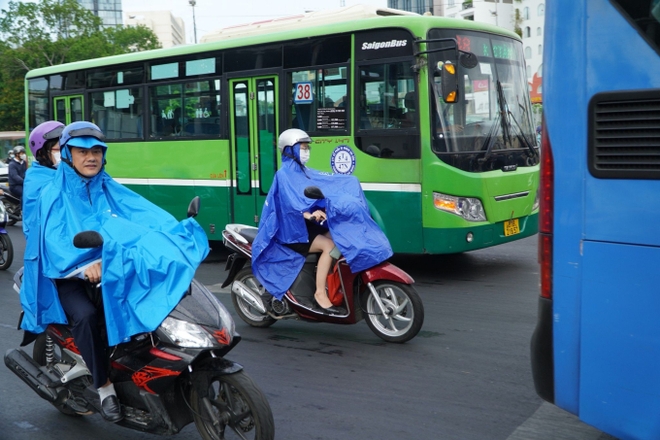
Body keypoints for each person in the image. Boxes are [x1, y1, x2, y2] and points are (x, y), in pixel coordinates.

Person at [19, 121, 209, 423]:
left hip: (110, 263)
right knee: (86, 315)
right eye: (82, 151)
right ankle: (104, 385)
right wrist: (84, 267)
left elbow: (141, 215)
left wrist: (175, 233)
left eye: (97, 151)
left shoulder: (105, 184)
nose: (91, 157)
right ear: (68, 154)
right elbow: (54, 245)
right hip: (66, 276)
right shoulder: (50, 193)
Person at [252, 128, 393, 315]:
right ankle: (320, 293)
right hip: (291, 233)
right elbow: (288, 207)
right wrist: (309, 215)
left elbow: (327, 185)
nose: (306, 151)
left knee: (340, 234)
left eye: (307, 147)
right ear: (290, 149)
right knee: (328, 246)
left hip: (306, 228)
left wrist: (344, 194)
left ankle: (331, 284)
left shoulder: (304, 172)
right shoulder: (284, 175)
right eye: (303, 147)